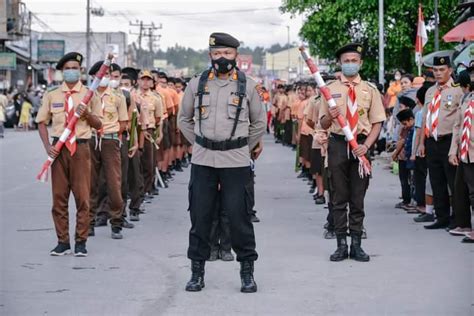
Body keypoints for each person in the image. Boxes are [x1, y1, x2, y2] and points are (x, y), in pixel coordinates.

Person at [178, 32, 266, 293]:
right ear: (210, 56)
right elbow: (183, 120)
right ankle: (197, 274)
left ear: (236, 56)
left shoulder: (247, 86)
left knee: (239, 218)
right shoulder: (196, 84)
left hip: (236, 161)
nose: (222, 58)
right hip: (203, 160)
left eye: (227, 54)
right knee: (200, 217)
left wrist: (241, 146)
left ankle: (247, 273)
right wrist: (200, 143)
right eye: (217, 54)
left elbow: (259, 122)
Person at [319, 43, 385, 262]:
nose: (350, 64)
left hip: (361, 145)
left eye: (353, 60)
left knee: (358, 197)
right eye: (346, 61)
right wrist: (330, 114)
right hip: (338, 144)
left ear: (360, 63)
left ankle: (356, 244)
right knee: (339, 197)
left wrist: (367, 146)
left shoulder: (370, 90)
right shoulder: (329, 90)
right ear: (340, 63)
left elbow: (377, 123)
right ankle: (340, 245)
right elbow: (324, 122)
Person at [36, 52, 102, 256]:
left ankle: (81, 242)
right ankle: (62, 242)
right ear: (62, 72)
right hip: (59, 148)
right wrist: (48, 146)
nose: (71, 71)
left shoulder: (90, 94)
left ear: (80, 71)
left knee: (82, 197)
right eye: (67, 68)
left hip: (81, 148)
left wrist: (87, 114)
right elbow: (41, 122)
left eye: (75, 68)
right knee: (59, 198)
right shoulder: (52, 95)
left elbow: (99, 124)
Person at [419, 56, 464, 229]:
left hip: (449, 141)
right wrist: (421, 143)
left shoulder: (458, 90)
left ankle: (457, 219)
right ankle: (442, 217)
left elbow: (461, 119)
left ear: (450, 71)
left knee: (454, 183)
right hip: (432, 141)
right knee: (436, 181)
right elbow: (425, 119)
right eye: (435, 70)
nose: (438, 73)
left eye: (442, 69)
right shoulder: (430, 91)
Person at [87, 61, 129, 239]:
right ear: (94, 77)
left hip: (110, 141)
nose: (104, 78)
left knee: (114, 182)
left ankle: (116, 222)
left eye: (107, 74)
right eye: (100, 74)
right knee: (90, 183)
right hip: (90, 140)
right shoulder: (87, 96)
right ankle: (88, 223)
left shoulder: (118, 96)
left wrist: (110, 134)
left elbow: (124, 122)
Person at [448, 68, 473, 239]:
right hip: (465, 152)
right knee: (462, 189)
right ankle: (464, 225)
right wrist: (453, 151)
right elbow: (457, 126)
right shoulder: (466, 99)